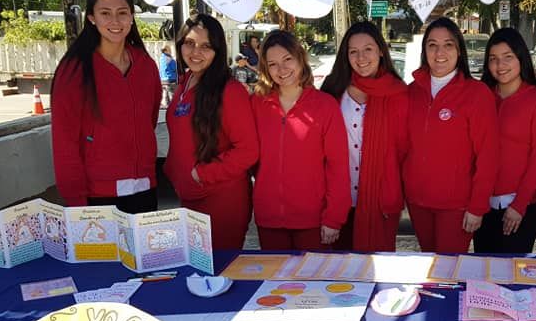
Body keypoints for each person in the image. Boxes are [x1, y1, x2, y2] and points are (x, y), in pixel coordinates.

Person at [51, 0, 162, 214]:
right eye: (105, 13)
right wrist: (77, 202)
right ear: (91, 18)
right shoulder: (74, 70)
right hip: (98, 195)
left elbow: (148, 120)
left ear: (132, 17)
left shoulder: (146, 65)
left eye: (122, 13)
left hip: (145, 188)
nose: (115, 21)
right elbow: (64, 142)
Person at [164, 14, 260, 250]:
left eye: (206, 46)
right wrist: (173, 171)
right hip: (189, 198)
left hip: (221, 201)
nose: (196, 52)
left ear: (217, 50)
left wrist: (201, 174)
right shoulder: (185, 82)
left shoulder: (230, 91)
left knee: (220, 269)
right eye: (189, 43)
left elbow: (248, 151)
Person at [403, 17, 498, 253]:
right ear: (424, 50)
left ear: (459, 50)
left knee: (449, 268)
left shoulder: (477, 94)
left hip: (456, 205)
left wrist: (477, 206)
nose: (439, 53)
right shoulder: (411, 92)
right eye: (432, 45)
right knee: (429, 264)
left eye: (448, 45)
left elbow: (488, 155)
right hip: (417, 201)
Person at [251, 30, 350, 251]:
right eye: (273, 64)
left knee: (314, 275)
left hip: (313, 221)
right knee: (274, 274)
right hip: (269, 219)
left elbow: (338, 166)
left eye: (287, 59)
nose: (282, 69)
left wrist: (334, 218)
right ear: (265, 68)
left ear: (300, 58)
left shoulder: (325, 106)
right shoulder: (257, 104)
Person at [320, 22, 408, 252]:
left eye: (368, 49)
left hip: (381, 200)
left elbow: (404, 150)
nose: (361, 58)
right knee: (337, 265)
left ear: (381, 51)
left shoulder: (399, 93)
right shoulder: (333, 89)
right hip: (336, 198)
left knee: (376, 265)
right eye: (353, 51)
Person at [473, 27, 536, 254]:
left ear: (521, 57)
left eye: (508, 57)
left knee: (512, 268)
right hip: (484, 203)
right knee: (484, 267)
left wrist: (519, 205)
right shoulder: (481, 96)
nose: (500, 65)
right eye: (493, 59)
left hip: (522, 205)